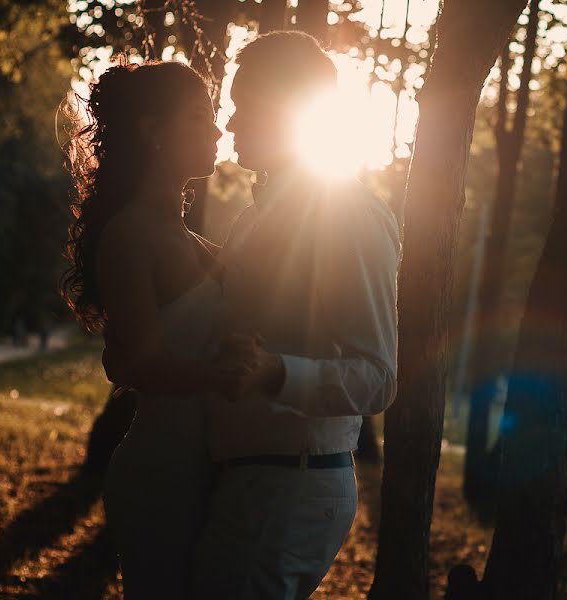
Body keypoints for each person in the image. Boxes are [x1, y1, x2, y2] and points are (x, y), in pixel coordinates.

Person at [190, 31, 401, 599]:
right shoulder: (252, 221)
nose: (230, 125)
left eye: (242, 106)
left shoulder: (349, 214)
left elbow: (378, 377)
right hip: (249, 477)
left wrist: (275, 371)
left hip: (290, 486)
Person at [60, 59, 261, 599]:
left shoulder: (186, 238)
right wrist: (226, 376)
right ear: (153, 130)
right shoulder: (131, 235)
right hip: (163, 473)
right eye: (200, 116)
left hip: (209, 465)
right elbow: (139, 364)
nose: (218, 130)